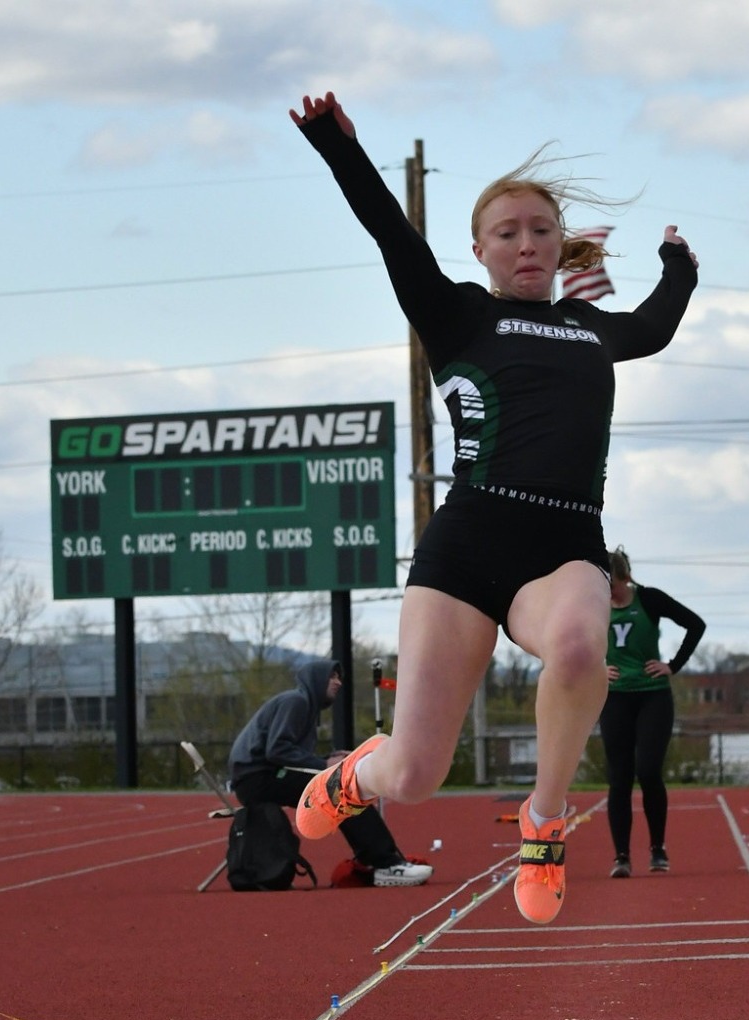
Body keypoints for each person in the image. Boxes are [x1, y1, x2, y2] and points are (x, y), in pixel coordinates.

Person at [287, 91, 699, 925]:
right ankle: (350, 775)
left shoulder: (589, 327)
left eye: (539, 231)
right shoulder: (456, 314)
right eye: (506, 233)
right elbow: (386, 231)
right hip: (469, 544)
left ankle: (544, 825)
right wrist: (338, 147)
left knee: (584, 647)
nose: (525, 245)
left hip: (564, 542)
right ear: (479, 248)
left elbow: (652, 327)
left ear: (559, 244)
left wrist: (679, 270)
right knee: (413, 775)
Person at [228, 658, 432, 887]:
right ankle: (385, 864)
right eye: (331, 677)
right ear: (315, 680)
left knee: (341, 785)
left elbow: (289, 755)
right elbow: (277, 749)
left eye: (339, 677)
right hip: (257, 778)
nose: (338, 683)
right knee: (343, 789)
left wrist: (328, 760)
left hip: (262, 776)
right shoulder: (296, 702)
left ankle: (378, 860)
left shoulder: (305, 707)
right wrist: (324, 765)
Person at [600, 547, 705, 877]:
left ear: (626, 578)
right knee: (619, 778)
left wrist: (673, 665)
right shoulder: (593, 605)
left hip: (652, 697)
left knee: (647, 771)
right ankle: (621, 856)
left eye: (613, 587)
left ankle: (657, 848)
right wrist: (596, 669)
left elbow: (695, 625)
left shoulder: (649, 599)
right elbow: (563, 641)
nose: (610, 594)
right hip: (614, 698)